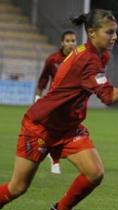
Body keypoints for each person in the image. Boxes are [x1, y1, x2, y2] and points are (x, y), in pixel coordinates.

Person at [0, 9, 118, 210]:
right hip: (41, 126)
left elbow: (100, 86)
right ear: (92, 33)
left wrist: (117, 93)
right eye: (110, 33)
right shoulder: (88, 58)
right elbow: (107, 96)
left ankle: (62, 209)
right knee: (18, 187)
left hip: (68, 127)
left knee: (94, 172)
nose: (115, 37)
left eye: (116, 32)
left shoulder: (98, 54)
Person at [34, 30, 78, 174]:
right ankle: (55, 161)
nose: (71, 44)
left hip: (71, 103)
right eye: (68, 41)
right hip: (54, 101)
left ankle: (47, 151)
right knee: (55, 131)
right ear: (62, 42)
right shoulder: (53, 59)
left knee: (62, 132)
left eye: (73, 41)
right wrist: (37, 97)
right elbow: (43, 79)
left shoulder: (79, 58)